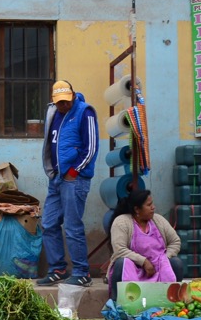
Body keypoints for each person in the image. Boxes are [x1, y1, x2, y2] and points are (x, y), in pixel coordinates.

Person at [36, 80, 99, 287]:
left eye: (66, 101)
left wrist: (74, 171)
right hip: (56, 179)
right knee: (49, 223)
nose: (63, 105)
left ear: (72, 95)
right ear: (54, 101)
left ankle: (82, 272)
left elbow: (90, 148)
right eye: (59, 102)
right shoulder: (53, 113)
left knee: (72, 226)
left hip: (74, 179)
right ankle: (57, 269)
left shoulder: (85, 112)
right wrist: (54, 173)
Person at [105, 189, 180, 298]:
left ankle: (171, 300)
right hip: (134, 268)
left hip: (158, 267)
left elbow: (175, 241)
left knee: (176, 263)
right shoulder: (122, 222)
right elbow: (119, 249)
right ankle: (119, 303)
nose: (153, 207)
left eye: (152, 203)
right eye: (149, 205)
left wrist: (163, 260)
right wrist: (144, 262)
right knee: (121, 262)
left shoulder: (158, 220)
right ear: (137, 209)